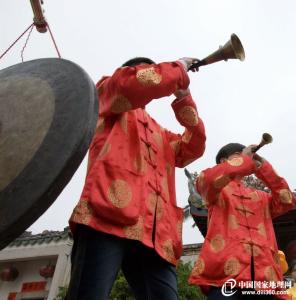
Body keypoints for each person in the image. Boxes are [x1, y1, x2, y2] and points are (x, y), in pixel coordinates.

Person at [66, 57, 206, 300]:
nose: (150, 74)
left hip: (157, 234)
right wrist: (177, 68)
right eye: (143, 69)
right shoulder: (106, 94)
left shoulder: (161, 134)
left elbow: (194, 145)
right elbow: (131, 84)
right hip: (107, 215)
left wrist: (184, 97)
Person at [189, 143, 295, 299]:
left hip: (264, 277)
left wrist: (262, 166)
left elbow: (286, 199)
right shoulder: (216, 193)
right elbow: (207, 181)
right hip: (225, 275)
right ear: (223, 161)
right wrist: (243, 160)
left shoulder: (261, 197)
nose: (246, 158)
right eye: (238, 154)